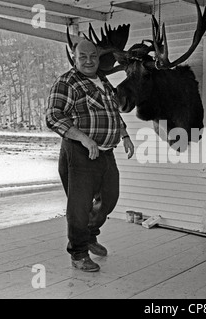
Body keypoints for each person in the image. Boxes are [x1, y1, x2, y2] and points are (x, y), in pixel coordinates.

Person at [46, 39, 135, 272]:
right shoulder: (67, 82)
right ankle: (78, 253)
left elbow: (112, 112)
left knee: (110, 197)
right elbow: (54, 116)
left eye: (92, 56)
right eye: (82, 56)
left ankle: (89, 235)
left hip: (106, 152)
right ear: (74, 58)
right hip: (79, 152)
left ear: (98, 57)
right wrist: (83, 138)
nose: (88, 60)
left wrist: (124, 135)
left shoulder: (103, 81)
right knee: (79, 205)